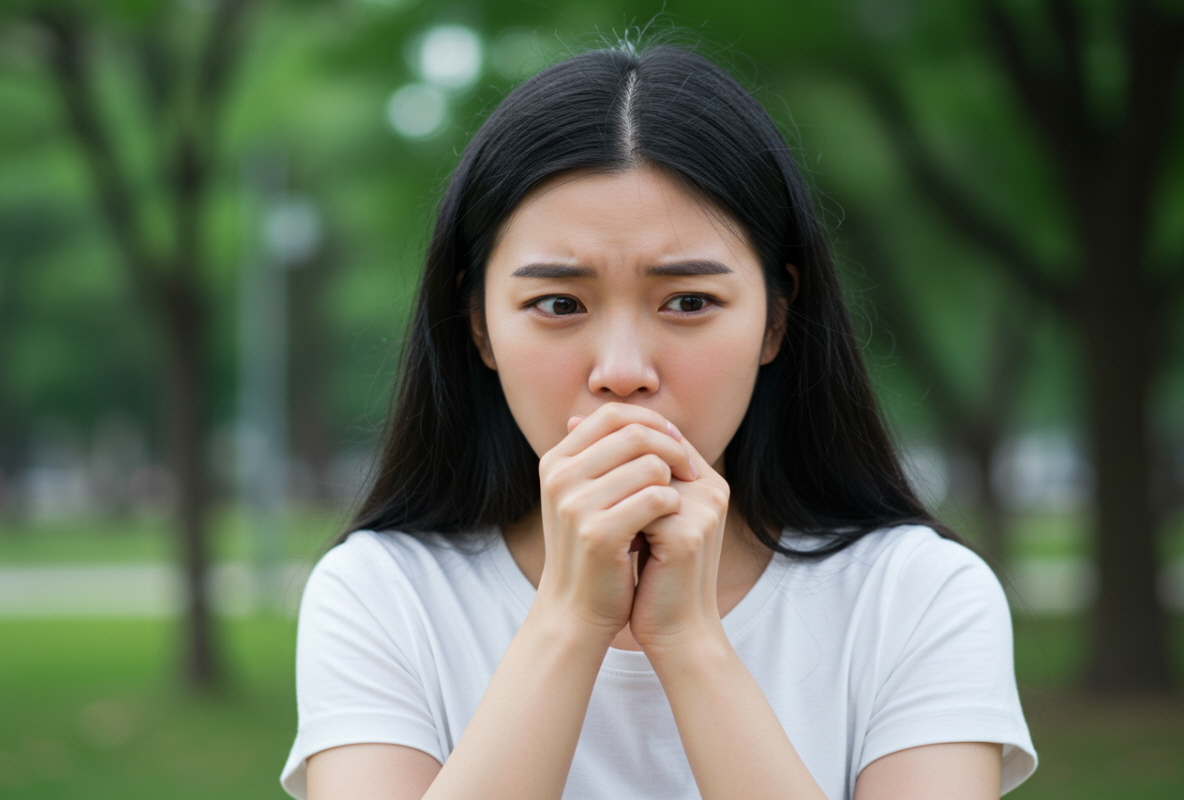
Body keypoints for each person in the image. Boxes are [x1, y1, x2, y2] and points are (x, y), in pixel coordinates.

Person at [281, 42, 1036, 800]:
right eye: (558, 304)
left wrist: (690, 643)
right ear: (479, 325)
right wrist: (569, 620)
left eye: (689, 302)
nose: (622, 370)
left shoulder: (915, 596)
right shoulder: (383, 595)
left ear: (776, 319)